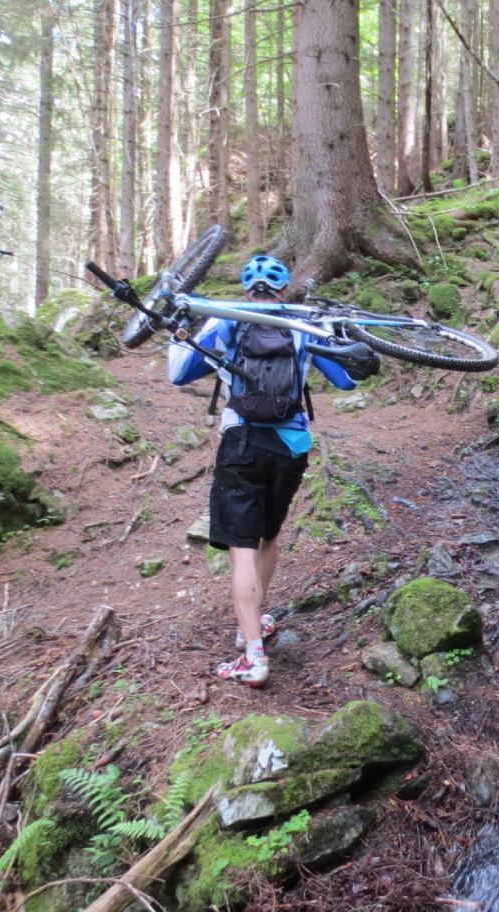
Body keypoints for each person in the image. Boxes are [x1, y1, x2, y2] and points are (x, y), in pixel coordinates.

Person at [167, 255, 380, 687]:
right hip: (292, 446)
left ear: (248, 290)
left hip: (243, 442)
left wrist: (179, 332)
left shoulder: (228, 322)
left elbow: (179, 373)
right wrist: (337, 335)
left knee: (241, 546)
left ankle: (253, 655)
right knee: (268, 535)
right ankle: (258, 623)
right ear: (284, 289)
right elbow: (346, 382)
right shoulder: (300, 326)